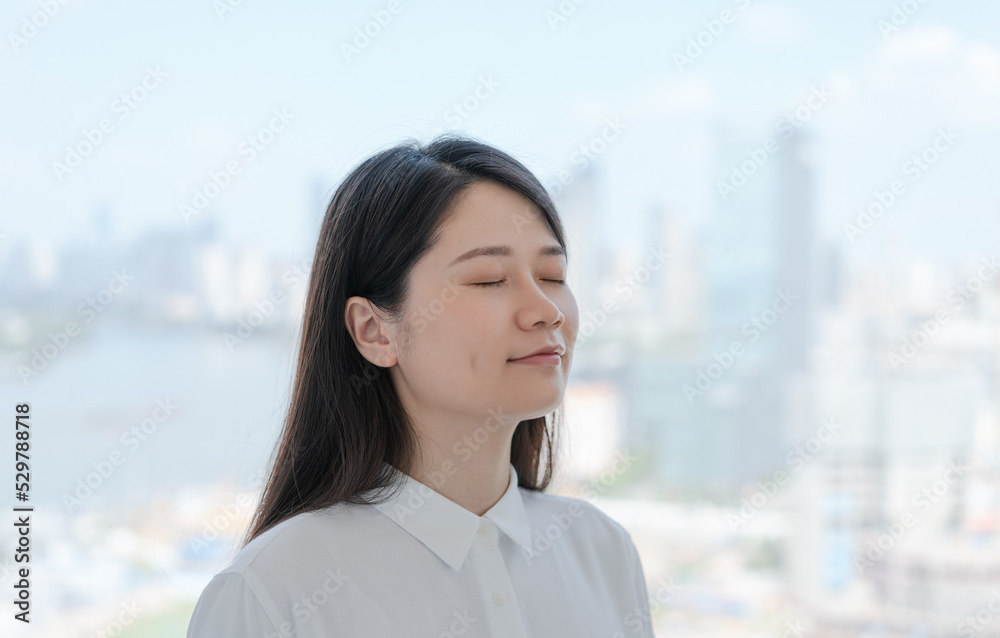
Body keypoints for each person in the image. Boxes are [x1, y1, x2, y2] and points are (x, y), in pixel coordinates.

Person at [186, 133, 655, 637]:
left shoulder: (602, 553)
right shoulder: (269, 595)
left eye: (553, 274)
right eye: (489, 280)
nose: (546, 310)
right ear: (374, 330)